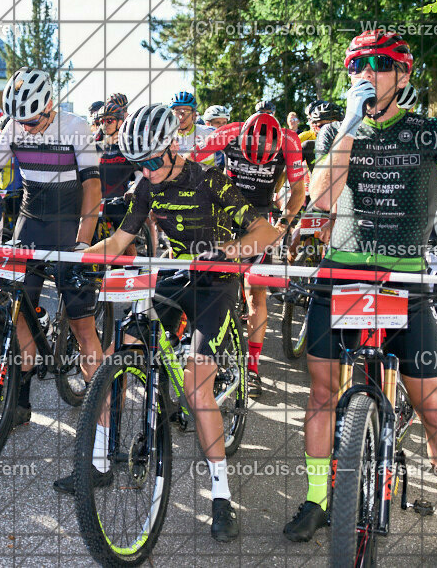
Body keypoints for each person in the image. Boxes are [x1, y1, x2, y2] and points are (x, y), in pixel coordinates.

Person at [290, 30, 437, 568]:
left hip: (405, 282)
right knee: (319, 395)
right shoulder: (338, 130)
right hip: (338, 277)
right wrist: (351, 130)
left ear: (403, 75)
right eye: (358, 63)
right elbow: (319, 202)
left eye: (381, 64)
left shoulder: (434, 134)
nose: (368, 72)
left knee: (434, 409)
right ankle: (316, 499)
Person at [80, 103, 279, 540]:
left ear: (172, 146)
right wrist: (74, 257)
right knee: (114, 359)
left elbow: (266, 233)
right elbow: (117, 241)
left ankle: (221, 496)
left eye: (153, 162)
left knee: (194, 385)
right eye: (139, 164)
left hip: (218, 278)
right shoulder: (146, 188)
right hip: (176, 274)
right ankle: (93, 464)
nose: (147, 172)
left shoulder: (209, 180)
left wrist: (228, 253)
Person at [0, 68, 104, 443]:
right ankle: (20, 405)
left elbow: (93, 186)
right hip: (31, 225)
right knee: (17, 316)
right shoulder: (13, 127)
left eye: (32, 120)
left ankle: (100, 425)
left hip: (70, 226)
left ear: (49, 105)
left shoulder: (75, 127)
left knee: (82, 327)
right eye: (21, 121)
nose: (27, 128)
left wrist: (83, 243)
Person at [192, 111, 306, 398]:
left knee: (257, 293)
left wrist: (284, 223)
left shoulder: (290, 141)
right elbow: (190, 161)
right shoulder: (228, 133)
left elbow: (299, 190)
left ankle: (252, 368)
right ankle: (203, 348)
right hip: (226, 210)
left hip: (260, 216)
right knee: (209, 280)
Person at [94, 94, 138, 231]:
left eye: (109, 121)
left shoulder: (128, 146)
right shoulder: (95, 146)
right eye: (102, 121)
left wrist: (133, 188)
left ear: (120, 122)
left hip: (120, 201)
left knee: (127, 245)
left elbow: (138, 173)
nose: (104, 124)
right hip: (96, 202)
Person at [171, 91, 214, 158]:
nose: (181, 117)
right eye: (177, 111)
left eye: (187, 111)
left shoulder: (210, 132)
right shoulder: (165, 137)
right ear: (172, 113)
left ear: (193, 114)